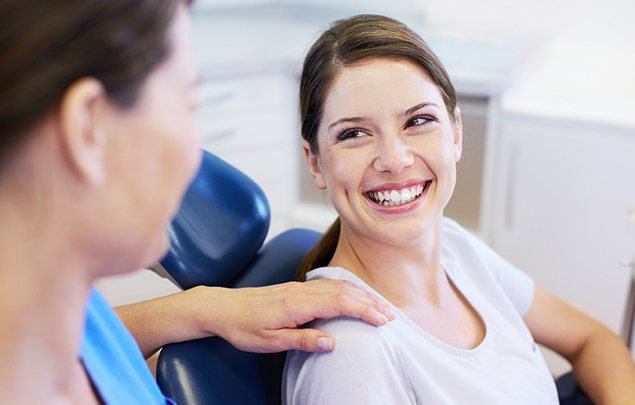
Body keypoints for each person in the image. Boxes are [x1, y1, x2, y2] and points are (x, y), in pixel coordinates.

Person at [0, 1, 396, 403]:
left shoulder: (65, 308)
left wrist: (203, 309)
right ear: (88, 129)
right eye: (187, 105)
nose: (196, 157)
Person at [283, 14, 635, 404]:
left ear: (456, 134)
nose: (395, 159)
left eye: (418, 121)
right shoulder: (353, 355)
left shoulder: (455, 249)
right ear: (315, 162)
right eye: (354, 134)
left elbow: (592, 341)